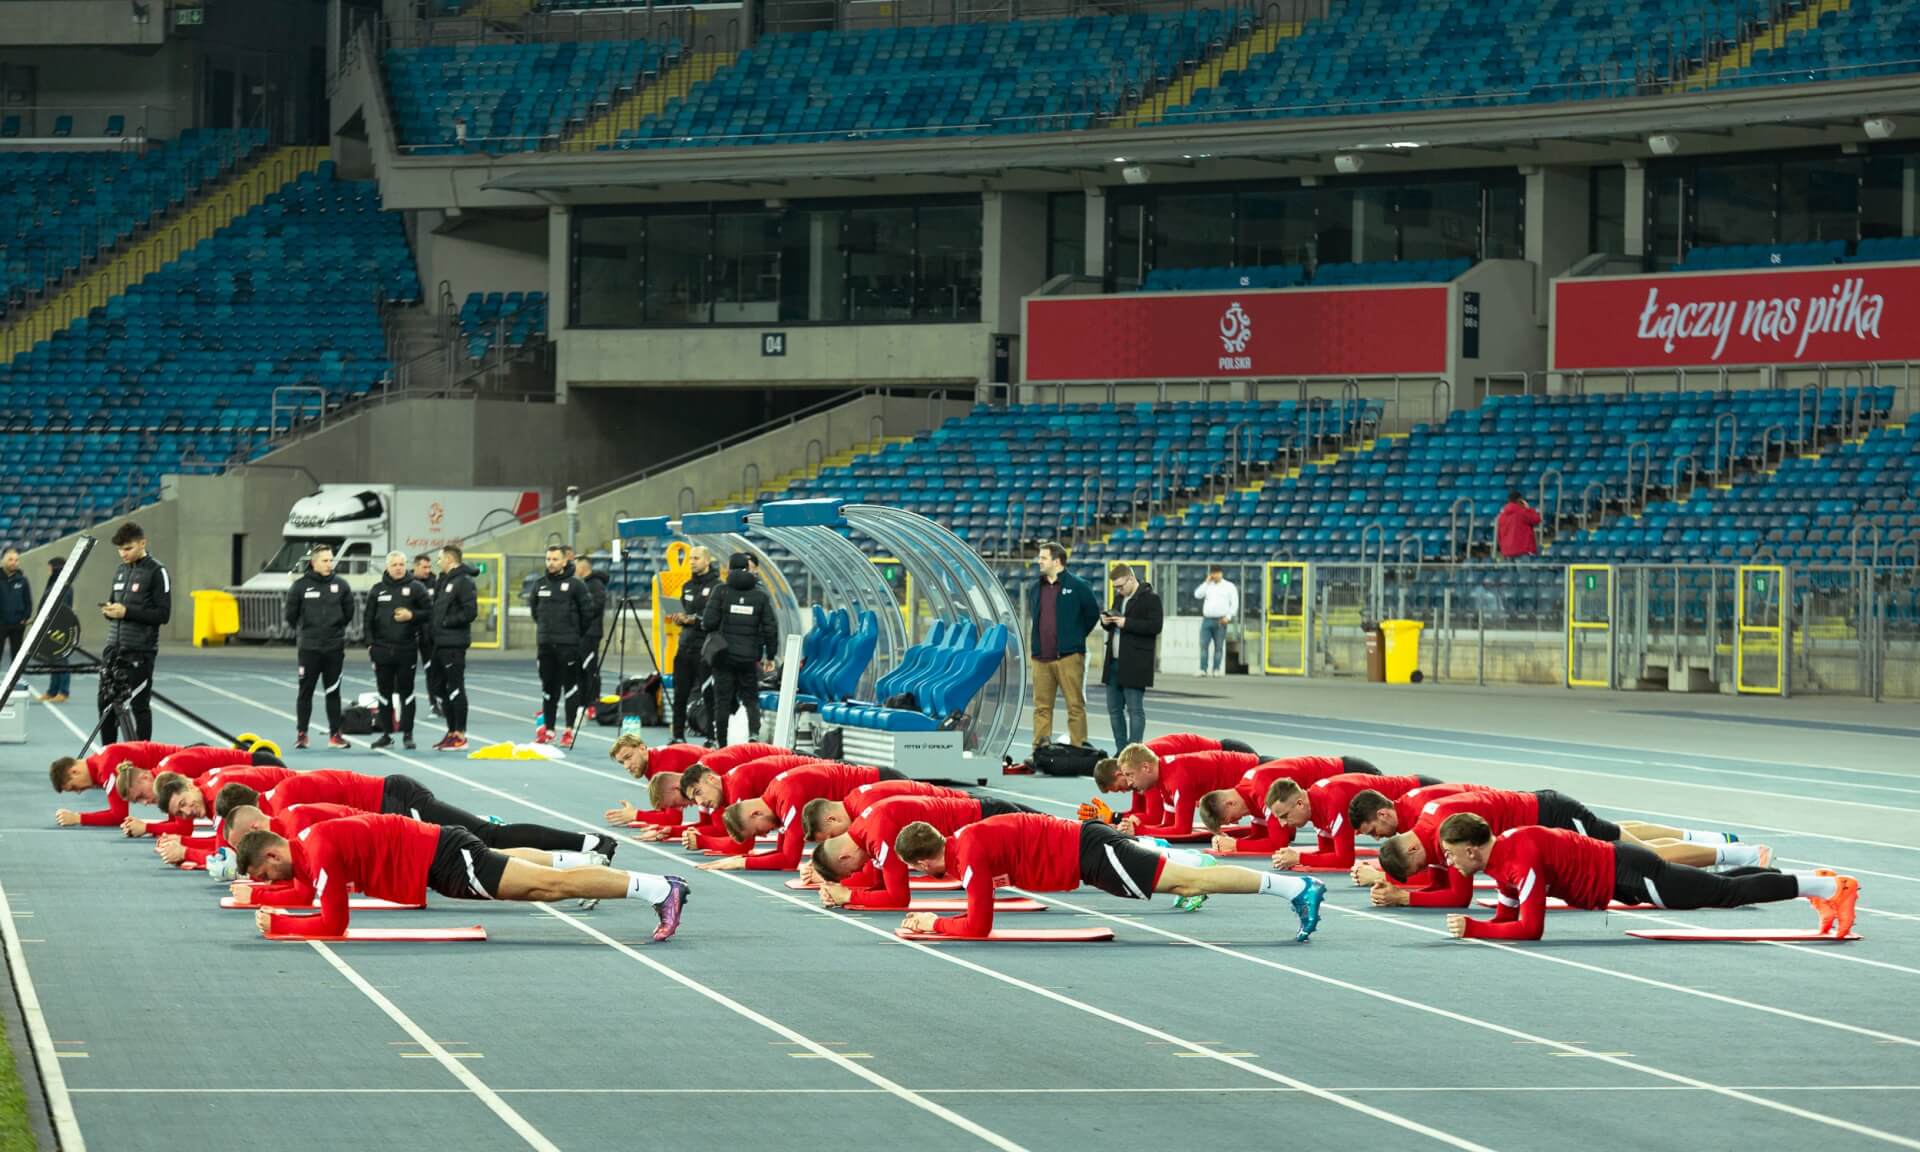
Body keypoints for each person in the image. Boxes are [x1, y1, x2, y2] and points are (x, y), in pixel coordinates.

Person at [234, 814, 692, 941]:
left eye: (263, 872)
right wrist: (262, 893)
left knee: (547, 888)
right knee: (535, 876)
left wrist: (282, 924)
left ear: (273, 852)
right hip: (439, 853)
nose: (268, 878)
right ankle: (605, 869)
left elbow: (334, 923)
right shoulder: (306, 844)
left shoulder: (321, 852)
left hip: (444, 859)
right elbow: (301, 888)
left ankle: (659, 888)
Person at [893, 812, 1327, 941]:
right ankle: (1161, 854)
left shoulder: (967, 854)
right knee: (1175, 879)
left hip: (1091, 853)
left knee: (1188, 883)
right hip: (1089, 852)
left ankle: (1297, 887)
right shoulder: (962, 844)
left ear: (922, 863)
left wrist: (934, 922)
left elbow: (979, 926)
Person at [1436, 814, 1856, 941]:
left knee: (1724, 893)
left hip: (1631, 874)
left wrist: (1473, 928)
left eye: (1452, 856)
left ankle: (1829, 887)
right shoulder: (1502, 860)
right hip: (1622, 872)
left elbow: (1530, 929)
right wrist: (1485, 927)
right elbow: (1508, 917)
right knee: (1717, 888)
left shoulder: (1519, 856)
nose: (1451, 865)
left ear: (1471, 849)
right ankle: (1807, 881)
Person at [1367, 787, 1768, 908]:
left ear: (1418, 853)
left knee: (1643, 855)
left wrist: (1404, 897)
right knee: (1626, 836)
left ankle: (1737, 855)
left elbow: (1457, 895)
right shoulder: (1426, 824)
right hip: (1541, 812)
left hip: (1550, 815)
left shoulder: (1444, 838)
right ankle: (1711, 840)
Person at [217, 773, 615, 859]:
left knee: (490, 838)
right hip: (389, 804)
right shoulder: (279, 806)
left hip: (396, 798)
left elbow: (350, 814)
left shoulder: (288, 804)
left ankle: (592, 844)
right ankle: (584, 851)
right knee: (486, 837)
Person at [808, 793, 1030, 909]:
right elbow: (878, 885)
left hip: (993, 819)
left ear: (844, 856)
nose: (856, 872)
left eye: (849, 872)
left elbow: (898, 898)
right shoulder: (862, 831)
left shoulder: (878, 835)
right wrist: (840, 891)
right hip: (987, 822)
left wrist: (848, 895)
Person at [702, 761, 897, 872]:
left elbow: (789, 859)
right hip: (876, 793)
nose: (763, 836)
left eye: (757, 831)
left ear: (755, 813)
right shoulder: (775, 797)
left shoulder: (788, 798)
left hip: (885, 786)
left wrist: (741, 862)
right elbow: (782, 851)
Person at [1266, 772, 1448, 871]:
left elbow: (1344, 859)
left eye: (1284, 816)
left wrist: (1299, 857)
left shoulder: (1333, 801)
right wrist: (1299, 860)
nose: (1283, 824)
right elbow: (1327, 851)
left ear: (1299, 804)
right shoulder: (1316, 805)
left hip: (1424, 793)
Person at [1197, 755, 1378, 853]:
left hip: (1354, 774)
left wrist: (1236, 846)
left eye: (1230, 819)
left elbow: (1279, 842)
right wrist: (1233, 842)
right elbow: (1259, 834)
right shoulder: (1248, 790)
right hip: (1343, 777)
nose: (1236, 821)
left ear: (1230, 804)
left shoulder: (1262, 789)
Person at [99, 522, 171, 743]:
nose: (123, 554)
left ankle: (141, 758)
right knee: (105, 705)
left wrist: (126, 612)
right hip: (113, 649)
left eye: (128, 548)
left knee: (139, 706)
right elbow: (115, 605)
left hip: (140, 651)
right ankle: (108, 756)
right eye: (120, 549)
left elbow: (163, 615)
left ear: (142, 543)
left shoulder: (157, 572)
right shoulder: (120, 571)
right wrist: (109, 611)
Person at [1026, 541, 1102, 751]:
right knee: (1041, 707)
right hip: (1041, 658)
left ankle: (1078, 748)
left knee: (1075, 705)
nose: (1039, 561)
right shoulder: (1035, 588)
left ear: (1056, 561)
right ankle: (1039, 749)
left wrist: (1075, 637)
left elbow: (1092, 614)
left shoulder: (1078, 586)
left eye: (1043, 558)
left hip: (1068, 657)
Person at [1081, 733, 1243, 828]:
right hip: (1221, 764)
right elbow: (1140, 812)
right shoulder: (1134, 770)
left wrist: (1117, 819)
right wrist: (1111, 817)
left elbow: (1154, 817)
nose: (1126, 789)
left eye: (1119, 788)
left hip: (1232, 756)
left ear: (1119, 774)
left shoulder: (1144, 769)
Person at [700, 553, 777, 746]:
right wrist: (771, 655)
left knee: (722, 701)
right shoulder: (760, 596)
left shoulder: (721, 591)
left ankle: (722, 743)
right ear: (747, 569)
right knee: (751, 698)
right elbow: (770, 627)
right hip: (749, 657)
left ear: (730, 568)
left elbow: (708, 623)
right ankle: (753, 736)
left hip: (723, 657)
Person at [285, 545, 356, 750]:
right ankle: (302, 734)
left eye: (330, 560)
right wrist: (307, 631)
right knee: (305, 691)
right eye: (324, 560)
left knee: (333, 691)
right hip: (309, 648)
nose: (329, 564)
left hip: (334, 647)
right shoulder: (300, 586)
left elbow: (348, 612)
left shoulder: (341, 585)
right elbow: (291, 615)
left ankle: (335, 735)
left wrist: (335, 627)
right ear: (314, 562)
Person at [528, 545, 594, 748]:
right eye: (548, 559)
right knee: (548, 688)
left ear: (565, 561)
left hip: (569, 645)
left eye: (555, 559)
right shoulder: (539, 585)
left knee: (570, 688)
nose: (551, 563)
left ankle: (568, 730)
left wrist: (574, 634)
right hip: (546, 644)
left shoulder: (576, 585)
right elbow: (534, 612)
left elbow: (588, 613)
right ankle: (548, 730)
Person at [365, 552, 429, 750]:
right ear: (387, 566)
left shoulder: (416, 588)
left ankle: (407, 733)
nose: (399, 568)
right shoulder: (377, 590)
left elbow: (429, 612)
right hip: (382, 650)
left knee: (406, 692)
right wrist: (370, 645)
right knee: (384, 693)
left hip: (406, 649)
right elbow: (367, 620)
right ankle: (386, 734)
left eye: (402, 564)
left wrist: (412, 615)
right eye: (395, 564)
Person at [1100, 563, 1162, 755]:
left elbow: (1155, 626)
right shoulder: (1119, 599)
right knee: (1114, 710)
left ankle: (1133, 752)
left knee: (1135, 710)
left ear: (1131, 578)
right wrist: (1106, 622)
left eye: (1120, 586)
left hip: (1135, 662)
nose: (1118, 590)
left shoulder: (1151, 599)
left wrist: (1127, 623)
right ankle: (1121, 751)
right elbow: (1114, 624)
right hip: (1114, 662)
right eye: (1116, 588)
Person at [49, 741, 184, 827]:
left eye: (73, 787)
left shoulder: (106, 768)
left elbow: (118, 816)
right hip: (179, 766)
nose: (78, 791)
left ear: (74, 771)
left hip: (186, 769)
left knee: (179, 827)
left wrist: (78, 818)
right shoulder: (99, 760)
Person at [670, 546, 720, 744]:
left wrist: (693, 620)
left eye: (696, 558)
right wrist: (678, 618)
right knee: (680, 693)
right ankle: (677, 735)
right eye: (690, 558)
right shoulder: (687, 586)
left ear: (707, 561)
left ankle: (710, 736)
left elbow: (715, 620)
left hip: (705, 649)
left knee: (708, 693)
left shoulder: (718, 587)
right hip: (685, 647)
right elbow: (683, 612)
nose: (691, 561)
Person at [431, 545, 479, 751]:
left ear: (450, 559)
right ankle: (451, 731)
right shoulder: (445, 580)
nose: (437, 561)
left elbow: (470, 612)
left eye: (440, 558)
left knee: (455, 687)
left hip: (454, 642)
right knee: (438, 687)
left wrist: (446, 622)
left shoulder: (464, 582)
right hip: (440, 642)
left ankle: (460, 734)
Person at [574, 555, 609, 721]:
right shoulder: (581, 585)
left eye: (576, 566)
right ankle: (582, 703)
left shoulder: (595, 585)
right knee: (579, 669)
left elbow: (596, 607)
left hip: (591, 633)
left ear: (583, 568)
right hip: (580, 633)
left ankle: (593, 704)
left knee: (590, 669)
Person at [36, 555, 72, 702]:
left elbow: (61, 609)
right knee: (53, 660)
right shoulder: (54, 584)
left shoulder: (64, 586)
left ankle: (63, 692)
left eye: (50, 567)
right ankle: (52, 691)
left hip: (59, 628)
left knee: (61, 659)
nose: (48, 570)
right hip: (49, 627)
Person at [1193, 566, 1238, 677]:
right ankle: (1203, 669)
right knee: (1204, 646)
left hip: (1220, 620)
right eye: (1213, 573)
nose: (1215, 575)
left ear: (1221, 573)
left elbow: (1234, 603)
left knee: (1218, 647)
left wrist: (1228, 617)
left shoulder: (1229, 586)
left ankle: (1216, 669)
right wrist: (1206, 583)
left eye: (1217, 573)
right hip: (1207, 619)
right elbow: (1197, 595)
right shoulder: (1208, 586)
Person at [412, 554, 442, 716]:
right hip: (409, 634)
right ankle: (399, 706)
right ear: (415, 567)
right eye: (424, 567)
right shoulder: (407, 582)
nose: (427, 570)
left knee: (432, 670)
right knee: (403, 672)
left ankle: (435, 703)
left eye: (429, 567)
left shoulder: (435, 583)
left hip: (429, 635)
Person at [0, 547, 31, 672]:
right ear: (3, 560)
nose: (14, 562)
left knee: (17, 656)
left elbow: (28, 601)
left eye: (16, 560)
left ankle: (15, 680)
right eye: (10, 559)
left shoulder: (23, 580)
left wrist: (25, 617)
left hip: (17, 624)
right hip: (0, 624)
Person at [1496, 490, 1541, 559]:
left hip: (1507, 550)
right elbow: (1536, 519)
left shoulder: (1502, 515)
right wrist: (1528, 508)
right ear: (1519, 500)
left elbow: (1499, 534)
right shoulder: (1522, 512)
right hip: (1521, 549)